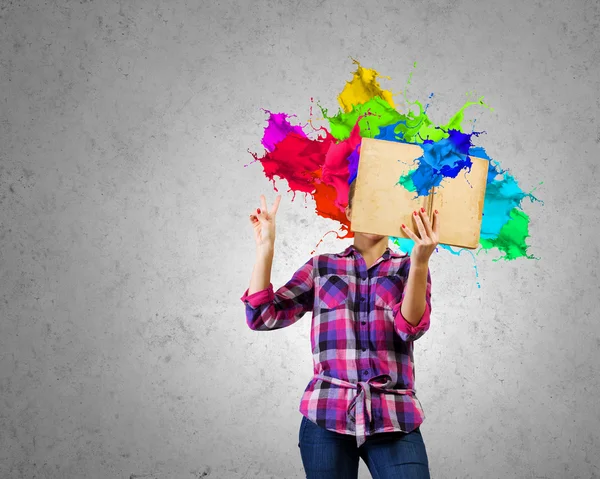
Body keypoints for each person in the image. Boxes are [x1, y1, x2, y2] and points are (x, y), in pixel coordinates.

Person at [241, 181, 439, 479]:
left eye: (382, 204)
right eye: (365, 204)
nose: (373, 211)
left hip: (394, 416)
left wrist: (421, 261)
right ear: (349, 211)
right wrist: (265, 247)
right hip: (327, 413)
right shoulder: (321, 268)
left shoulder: (408, 267)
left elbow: (409, 329)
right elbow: (263, 316)